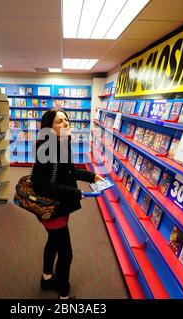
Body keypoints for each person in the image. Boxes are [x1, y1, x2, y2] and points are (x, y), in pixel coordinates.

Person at [31, 108, 104, 299]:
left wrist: (92, 177)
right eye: (59, 121)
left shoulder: (61, 144)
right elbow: (40, 184)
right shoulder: (48, 148)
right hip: (53, 209)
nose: (65, 123)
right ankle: (64, 295)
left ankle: (47, 279)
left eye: (66, 120)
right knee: (66, 253)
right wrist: (75, 193)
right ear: (49, 127)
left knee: (53, 242)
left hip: (59, 207)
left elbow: (69, 172)